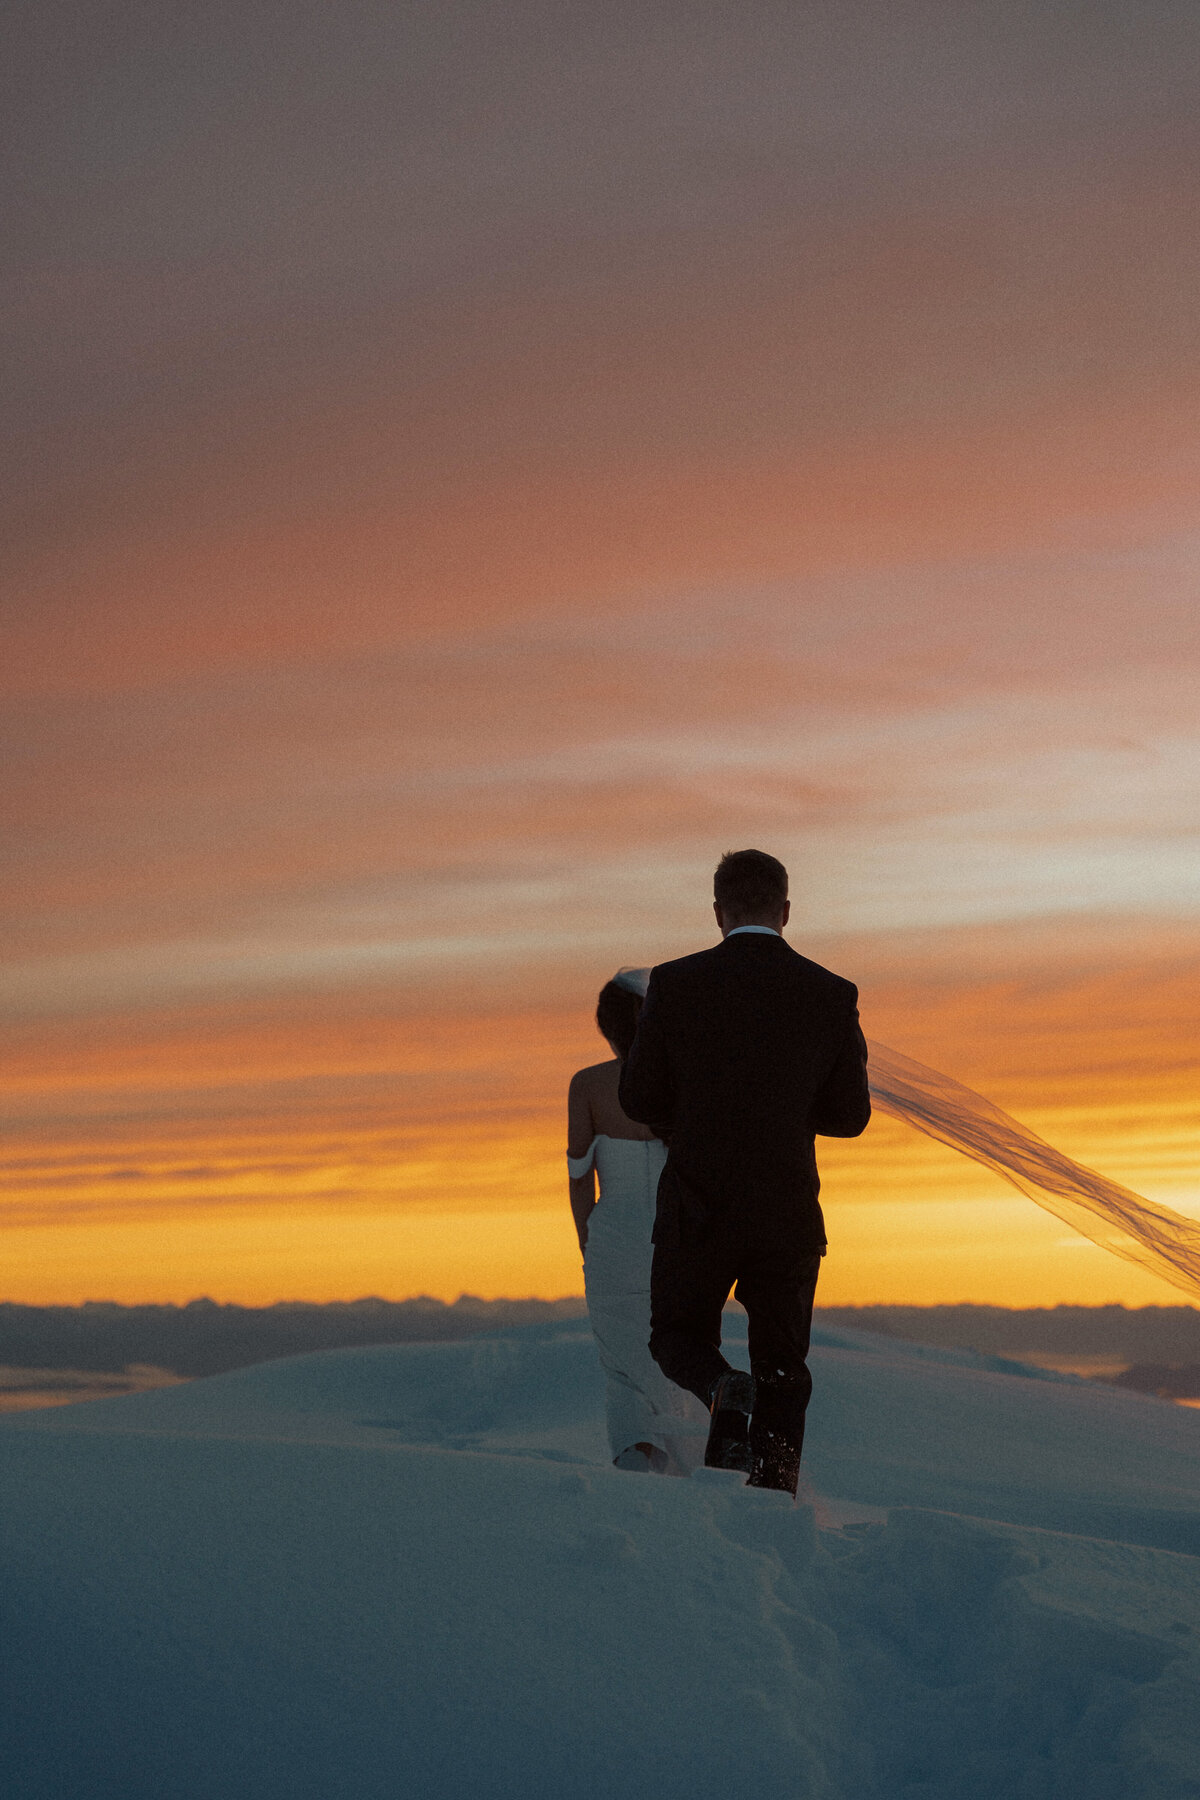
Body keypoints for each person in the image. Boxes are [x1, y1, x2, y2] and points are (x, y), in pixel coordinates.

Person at [619, 848, 871, 1497]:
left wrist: (694, 1114)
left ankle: (720, 1386)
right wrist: (787, 1110)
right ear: (786, 910)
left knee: (676, 1336)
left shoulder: (674, 984)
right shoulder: (832, 993)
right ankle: (774, 1495)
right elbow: (850, 1117)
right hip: (786, 1210)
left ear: (718, 912)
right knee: (783, 1366)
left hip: (697, 1204)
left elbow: (639, 1100)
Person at [567, 972, 709, 1474]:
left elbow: (579, 1179)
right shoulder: (687, 1080)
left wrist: (589, 1243)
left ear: (607, 1028)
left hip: (613, 1242)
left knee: (622, 1368)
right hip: (678, 1241)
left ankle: (638, 1464)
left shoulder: (587, 1085)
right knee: (677, 1360)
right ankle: (687, 1463)